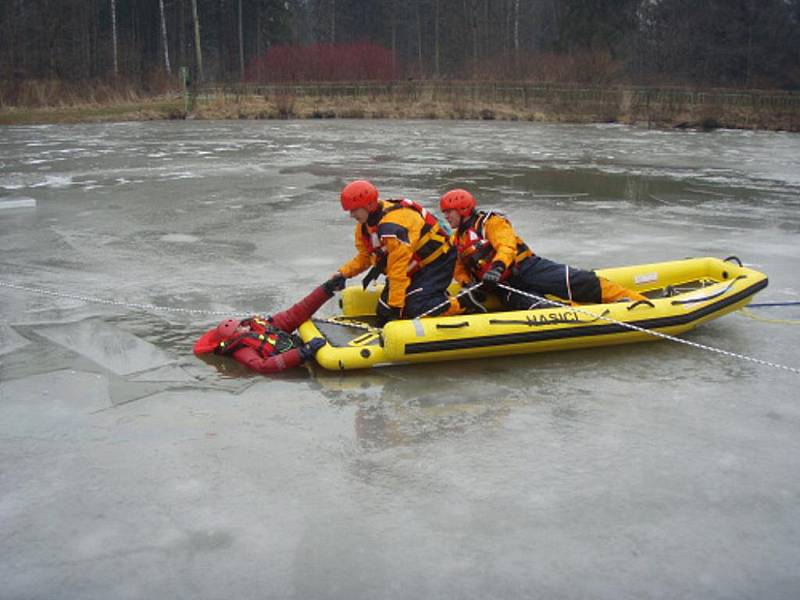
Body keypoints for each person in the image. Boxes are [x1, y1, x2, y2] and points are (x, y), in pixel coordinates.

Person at [439, 188, 649, 309]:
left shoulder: (490, 223)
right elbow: (459, 270)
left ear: (463, 210)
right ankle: (598, 312)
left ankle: (639, 303)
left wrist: (497, 267)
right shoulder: (456, 240)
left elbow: (506, 246)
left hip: (528, 268)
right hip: (505, 287)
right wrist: (468, 284)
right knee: (541, 308)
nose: (446, 217)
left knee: (583, 282)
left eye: (449, 212)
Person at [331, 180, 481, 325]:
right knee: (383, 311)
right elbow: (365, 257)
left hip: (437, 262)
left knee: (416, 307)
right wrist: (343, 273)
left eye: (354, 210)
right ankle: (428, 295)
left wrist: (396, 309)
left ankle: (463, 303)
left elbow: (398, 270)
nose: (351, 215)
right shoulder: (364, 228)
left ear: (369, 205)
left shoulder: (393, 226)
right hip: (413, 266)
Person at [192, 277, 345, 374]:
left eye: (242, 325)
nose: (245, 328)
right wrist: (303, 352)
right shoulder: (242, 350)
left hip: (304, 348)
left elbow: (295, 313)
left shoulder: (259, 326)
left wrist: (325, 290)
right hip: (303, 355)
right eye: (240, 329)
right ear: (233, 338)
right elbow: (262, 366)